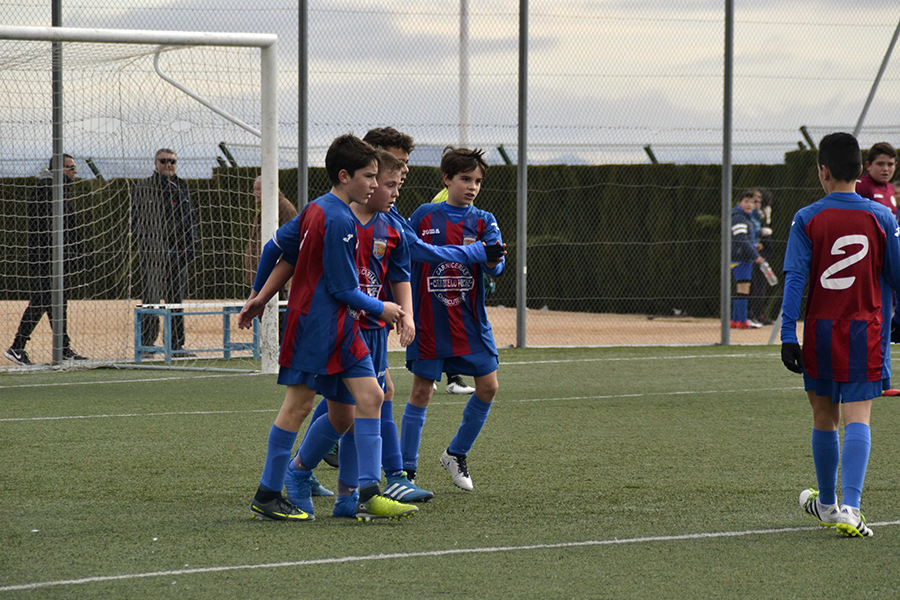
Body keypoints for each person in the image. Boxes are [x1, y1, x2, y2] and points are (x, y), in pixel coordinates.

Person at [240, 134, 418, 522]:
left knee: (369, 397)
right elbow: (341, 289)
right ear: (344, 176)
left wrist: (260, 295)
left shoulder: (317, 209)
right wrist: (384, 307)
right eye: (369, 176)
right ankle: (269, 493)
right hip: (318, 325)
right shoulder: (337, 219)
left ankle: (366, 494)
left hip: (341, 327)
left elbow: (282, 252)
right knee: (300, 405)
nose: (374, 184)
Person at [781, 131, 900, 538]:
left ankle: (829, 504)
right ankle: (851, 506)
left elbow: (795, 279)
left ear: (824, 171)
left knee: (823, 417)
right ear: (859, 170)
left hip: (819, 331)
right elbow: (897, 276)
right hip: (864, 331)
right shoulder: (882, 216)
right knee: (858, 418)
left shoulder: (806, 217)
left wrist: (785, 334)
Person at [400, 146, 505, 491]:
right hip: (429, 321)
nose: (472, 186)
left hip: (470, 321)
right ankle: (406, 471)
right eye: (464, 179)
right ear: (446, 179)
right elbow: (409, 252)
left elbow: (498, 265)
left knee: (489, 387)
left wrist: (491, 260)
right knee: (421, 391)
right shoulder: (424, 216)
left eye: (477, 181)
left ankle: (455, 453)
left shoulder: (485, 220)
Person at [5, 155, 87, 366]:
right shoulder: (46, 192)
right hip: (47, 259)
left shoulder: (59, 191)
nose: (75, 172)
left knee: (57, 303)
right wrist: (62, 254)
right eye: (71, 168)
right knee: (42, 299)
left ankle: (64, 348)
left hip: (57, 259)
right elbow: (48, 230)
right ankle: (17, 346)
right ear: (59, 169)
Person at [130, 148, 198, 357]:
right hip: (154, 256)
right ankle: (147, 346)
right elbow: (135, 224)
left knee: (176, 301)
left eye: (172, 161)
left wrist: (190, 247)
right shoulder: (143, 188)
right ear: (156, 163)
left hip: (180, 254)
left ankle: (176, 346)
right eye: (164, 161)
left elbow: (191, 221)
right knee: (151, 299)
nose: (169, 165)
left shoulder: (182, 187)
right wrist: (151, 247)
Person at [730, 189, 765, 329]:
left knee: (741, 288)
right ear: (739, 203)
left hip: (741, 257)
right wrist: (755, 256)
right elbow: (741, 240)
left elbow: (744, 240)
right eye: (746, 201)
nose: (749, 205)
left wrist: (754, 245)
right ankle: (742, 320)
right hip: (741, 258)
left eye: (752, 202)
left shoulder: (745, 217)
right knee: (744, 288)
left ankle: (736, 320)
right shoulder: (739, 217)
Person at [749, 188, 776, 325]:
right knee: (752, 284)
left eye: (759, 201)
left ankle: (758, 314)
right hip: (754, 253)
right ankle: (749, 315)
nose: (757, 204)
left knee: (761, 284)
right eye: (754, 201)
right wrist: (761, 232)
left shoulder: (762, 213)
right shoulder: (748, 216)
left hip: (764, 251)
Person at [855, 142, 897, 217]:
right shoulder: (859, 186)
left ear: (895, 166)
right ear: (868, 166)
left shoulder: (890, 187)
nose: (885, 169)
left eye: (890, 164)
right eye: (880, 164)